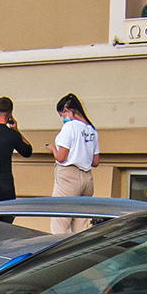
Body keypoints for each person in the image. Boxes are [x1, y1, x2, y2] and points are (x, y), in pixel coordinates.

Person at [49, 93, 98, 235]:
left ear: (66, 109)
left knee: (60, 223)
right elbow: (95, 162)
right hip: (87, 178)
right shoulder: (91, 130)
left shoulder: (70, 127)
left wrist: (52, 149)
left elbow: (61, 157)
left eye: (61, 115)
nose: (63, 119)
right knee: (82, 227)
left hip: (68, 178)